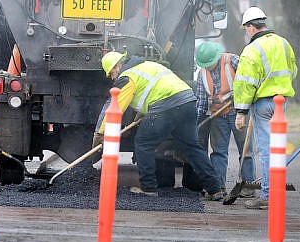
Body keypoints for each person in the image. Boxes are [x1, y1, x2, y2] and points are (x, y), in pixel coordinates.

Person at [94, 51, 224, 199]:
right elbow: (152, 91)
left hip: (166, 106)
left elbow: (116, 108)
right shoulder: (147, 65)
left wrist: (101, 133)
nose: (113, 77)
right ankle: (214, 188)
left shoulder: (127, 76)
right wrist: (142, 114)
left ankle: (148, 188)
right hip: (188, 102)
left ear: (118, 65)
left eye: (112, 73)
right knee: (191, 147)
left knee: (143, 143)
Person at [233, 7, 297, 210]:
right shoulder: (283, 43)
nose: (246, 32)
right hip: (281, 101)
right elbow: (292, 70)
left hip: (263, 104)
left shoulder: (252, 50)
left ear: (251, 27)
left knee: (267, 150)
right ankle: (274, 193)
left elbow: (244, 83)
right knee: (276, 149)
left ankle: (268, 196)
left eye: (246, 28)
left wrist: (241, 112)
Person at [194, 42, 256, 195]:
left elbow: (249, 79)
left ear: (217, 56)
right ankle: (217, 187)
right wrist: (196, 123)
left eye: (210, 63)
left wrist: (242, 96)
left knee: (246, 150)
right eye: (205, 65)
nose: (208, 67)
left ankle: (247, 186)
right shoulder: (201, 73)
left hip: (239, 112)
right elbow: (201, 101)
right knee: (218, 152)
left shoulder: (232, 61)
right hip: (217, 115)